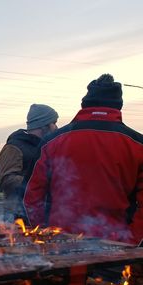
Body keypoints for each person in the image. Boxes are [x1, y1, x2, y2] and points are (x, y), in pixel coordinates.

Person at [24, 74, 143, 244]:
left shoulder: (52, 142)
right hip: (117, 248)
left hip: (60, 245)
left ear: (85, 104)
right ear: (118, 106)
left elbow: (31, 197)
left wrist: (44, 234)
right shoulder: (137, 144)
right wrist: (133, 240)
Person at [0, 104, 58, 221]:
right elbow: (7, 180)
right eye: (54, 123)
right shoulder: (14, 147)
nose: (56, 127)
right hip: (18, 218)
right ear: (43, 125)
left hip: (39, 215)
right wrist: (39, 182)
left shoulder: (44, 147)